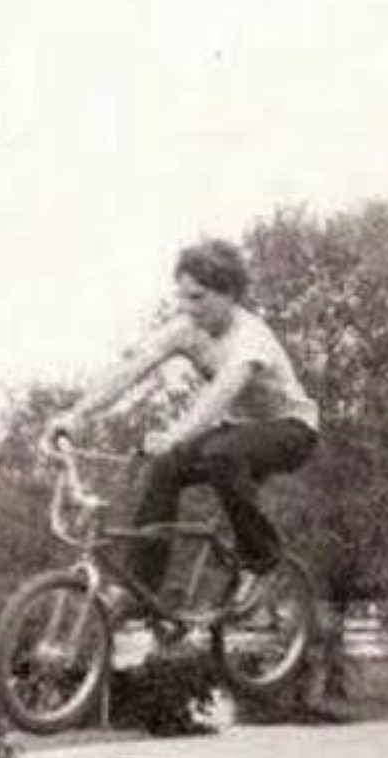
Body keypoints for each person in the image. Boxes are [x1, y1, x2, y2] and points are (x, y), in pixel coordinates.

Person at [45, 238, 319, 612]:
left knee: (221, 454)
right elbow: (131, 370)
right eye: (183, 297)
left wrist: (175, 435)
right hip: (239, 432)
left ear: (230, 295)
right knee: (164, 468)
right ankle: (140, 589)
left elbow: (219, 396)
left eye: (198, 297)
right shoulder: (187, 326)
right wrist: (75, 415)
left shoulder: (250, 339)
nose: (188, 308)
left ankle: (263, 559)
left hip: (291, 431)